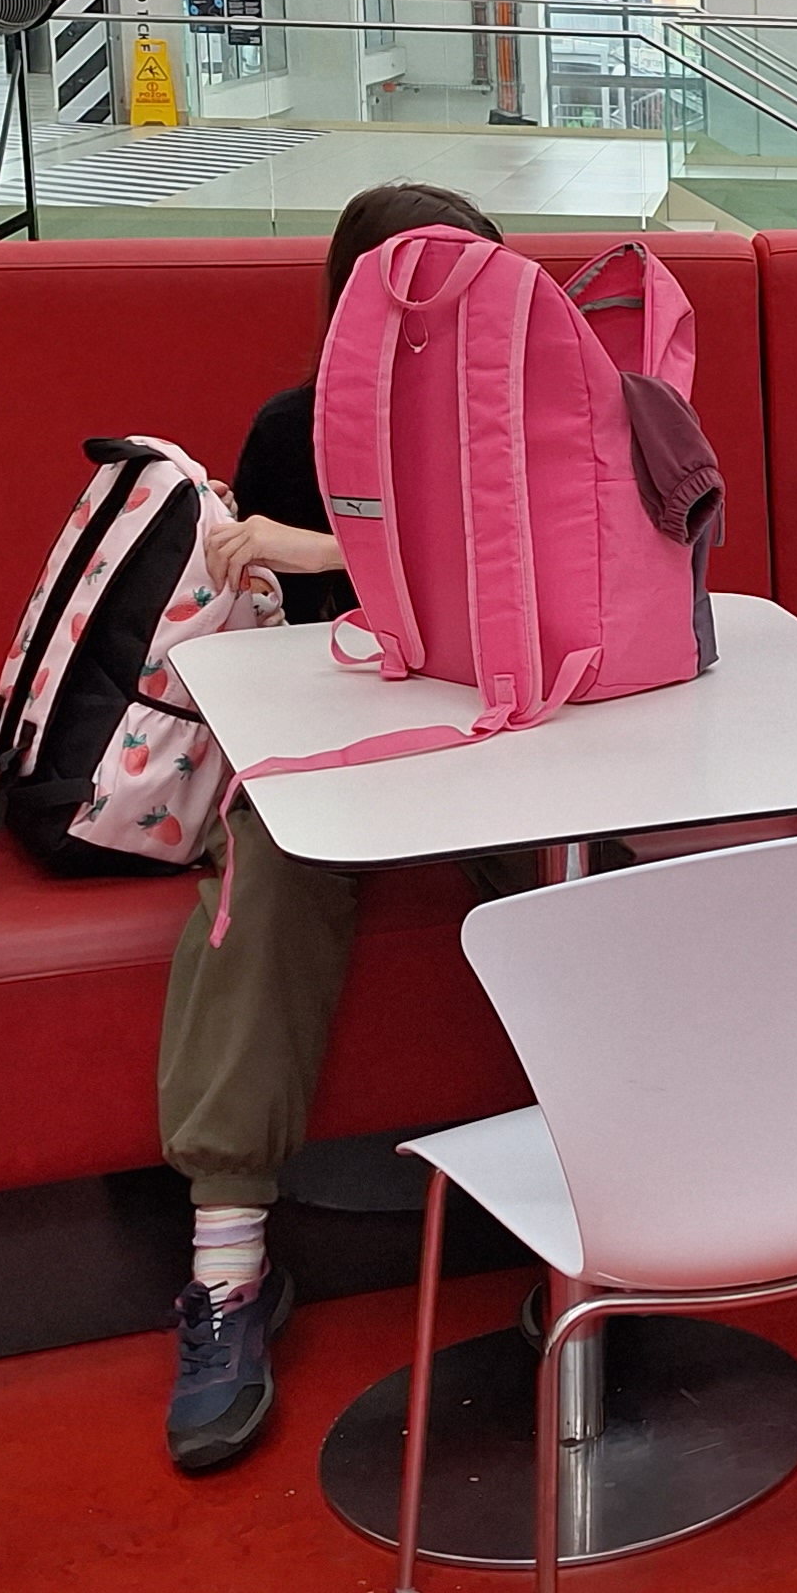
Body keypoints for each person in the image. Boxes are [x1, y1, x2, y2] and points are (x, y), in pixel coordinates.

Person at [155, 181, 502, 1475]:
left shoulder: (528, 423)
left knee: (593, 868)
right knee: (266, 871)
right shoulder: (293, 428)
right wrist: (326, 563)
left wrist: (330, 553)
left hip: (504, 732)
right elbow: (287, 649)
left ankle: (635, 1190)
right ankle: (228, 1263)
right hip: (341, 739)